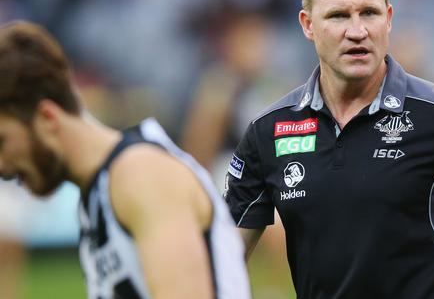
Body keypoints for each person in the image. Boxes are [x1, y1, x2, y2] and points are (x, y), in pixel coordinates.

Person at [225, 0, 434, 299]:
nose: (357, 31)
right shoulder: (269, 131)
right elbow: (219, 264)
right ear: (308, 25)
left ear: (388, 19)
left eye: (369, 13)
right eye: (338, 15)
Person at [0, 21, 251, 299]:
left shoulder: (141, 176)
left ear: (47, 118)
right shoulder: (100, 192)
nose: (1, 165)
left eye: (2, 141)